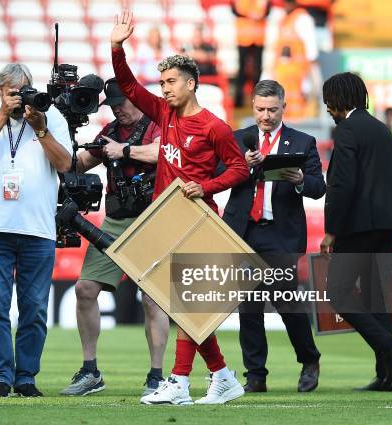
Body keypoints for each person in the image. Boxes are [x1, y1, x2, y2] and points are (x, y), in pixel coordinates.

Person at [111, 10, 250, 405]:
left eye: (171, 82)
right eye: (163, 82)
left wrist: (205, 186)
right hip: (164, 218)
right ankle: (222, 376)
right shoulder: (164, 112)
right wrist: (116, 47)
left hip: (198, 220)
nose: (165, 88)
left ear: (191, 84)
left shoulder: (214, 126)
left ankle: (180, 382)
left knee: (187, 303)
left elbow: (239, 168)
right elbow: (127, 85)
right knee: (185, 305)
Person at [0, 63, 72, 397]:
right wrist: (2, 114)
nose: (19, 98)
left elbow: (65, 163)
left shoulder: (49, 113)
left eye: (24, 91)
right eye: (12, 92)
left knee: (35, 308)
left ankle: (25, 376)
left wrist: (40, 128)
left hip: (38, 227)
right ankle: (0, 375)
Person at [59, 78, 169, 397]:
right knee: (85, 288)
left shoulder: (157, 124)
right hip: (116, 220)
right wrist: (59, 140)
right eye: (113, 105)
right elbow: (78, 164)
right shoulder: (108, 131)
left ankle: (157, 376)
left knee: (152, 298)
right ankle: (90, 370)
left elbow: (165, 153)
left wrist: (126, 150)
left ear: (137, 99)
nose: (118, 109)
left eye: (122, 102)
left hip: (154, 218)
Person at [221, 79, 325, 393]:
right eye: (260, 109)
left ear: (284, 107)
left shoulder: (303, 142)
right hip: (244, 232)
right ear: (253, 107)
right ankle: (256, 376)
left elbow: (319, 188)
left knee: (286, 301)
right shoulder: (237, 139)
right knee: (248, 305)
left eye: (272, 109)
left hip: (281, 234)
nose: (266, 115)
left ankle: (309, 359)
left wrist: (300, 179)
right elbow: (215, 178)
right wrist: (241, 168)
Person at [321, 72, 392, 392]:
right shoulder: (382, 130)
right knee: (375, 299)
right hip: (387, 225)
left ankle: (390, 345)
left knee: (338, 292)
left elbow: (341, 184)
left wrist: (332, 231)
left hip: (358, 227)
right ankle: (389, 377)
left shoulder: (346, 130)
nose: (327, 108)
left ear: (339, 99)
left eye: (328, 101)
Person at [268, 0, 322, 119]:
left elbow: (310, 46)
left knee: (302, 102)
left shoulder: (303, 19)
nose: (285, 5)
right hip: (283, 74)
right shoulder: (284, 21)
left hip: (300, 74)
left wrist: (313, 68)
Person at [232, 0, 270, 107]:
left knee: (257, 70)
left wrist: (256, 15)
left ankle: (257, 99)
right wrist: (251, 15)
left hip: (258, 38)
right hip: (244, 37)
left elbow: (268, 11)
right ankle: (238, 100)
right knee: (241, 70)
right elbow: (235, 10)